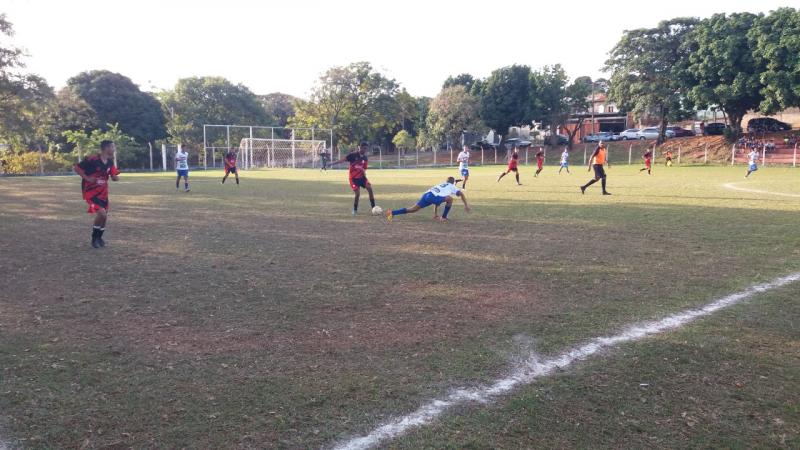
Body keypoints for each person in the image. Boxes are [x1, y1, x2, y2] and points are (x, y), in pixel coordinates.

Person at [74, 140, 120, 248]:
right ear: (106, 148)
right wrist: (87, 178)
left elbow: (114, 176)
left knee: (104, 217)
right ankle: (94, 238)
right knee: (102, 213)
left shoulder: (109, 162)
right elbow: (77, 168)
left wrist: (115, 177)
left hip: (103, 193)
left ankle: (99, 237)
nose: (114, 150)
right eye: (113, 147)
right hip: (91, 192)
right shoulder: (92, 159)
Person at [386, 176, 470, 223]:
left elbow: (436, 202)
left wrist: (435, 214)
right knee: (450, 199)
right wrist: (466, 205)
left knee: (412, 209)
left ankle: (392, 213)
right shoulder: (452, 186)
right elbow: (461, 194)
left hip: (427, 195)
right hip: (434, 197)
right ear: (453, 182)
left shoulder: (441, 184)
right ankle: (443, 217)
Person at [331, 142, 376, 215]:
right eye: (363, 148)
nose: (365, 150)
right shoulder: (353, 155)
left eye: (366, 149)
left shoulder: (365, 158)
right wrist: (331, 164)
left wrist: (362, 170)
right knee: (357, 193)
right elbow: (342, 160)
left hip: (362, 177)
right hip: (353, 178)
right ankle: (355, 209)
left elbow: (364, 168)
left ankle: (374, 208)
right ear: (360, 147)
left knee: (370, 189)